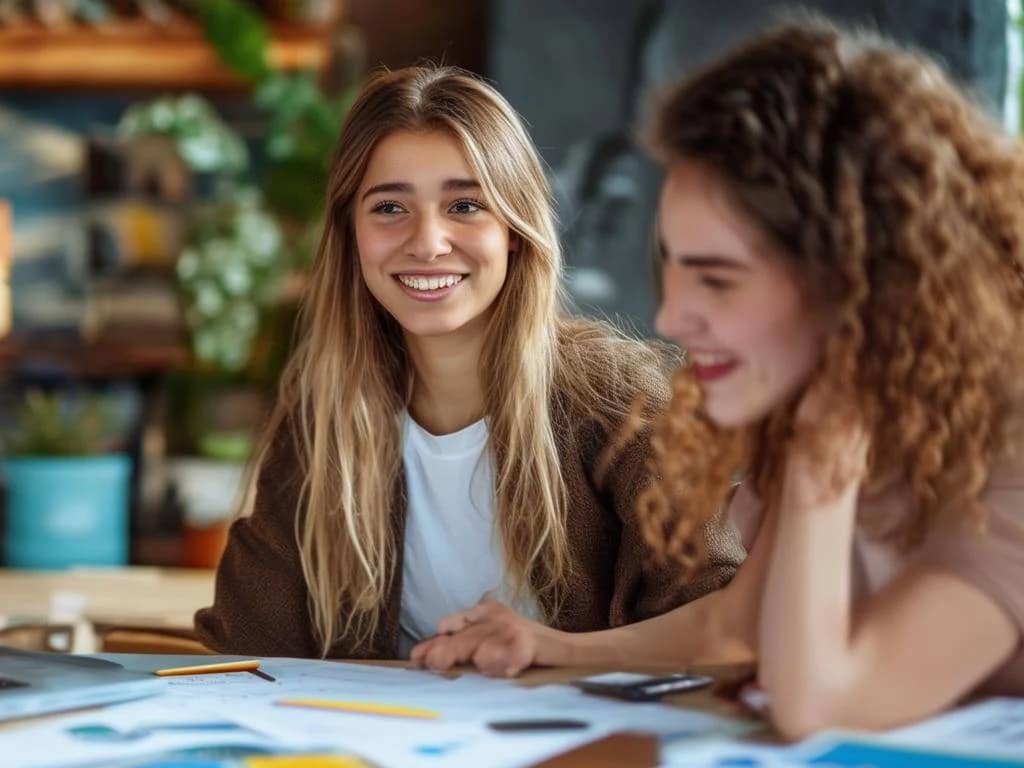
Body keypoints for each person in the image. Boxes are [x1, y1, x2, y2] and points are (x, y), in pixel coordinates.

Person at [411, 21, 1024, 737]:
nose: (672, 316)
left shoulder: (996, 432)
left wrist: (822, 446)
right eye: (671, 266)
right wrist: (558, 649)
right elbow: (740, 626)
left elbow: (823, 709)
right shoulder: (837, 394)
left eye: (719, 280)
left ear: (855, 280)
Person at [193, 65, 743, 661]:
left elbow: (731, 626)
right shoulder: (325, 412)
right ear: (350, 232)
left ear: (514, 229)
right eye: (388, 208)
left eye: (464, 205)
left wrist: (553, 649)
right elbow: (245, 648)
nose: (427, 242)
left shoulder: (623, 402)